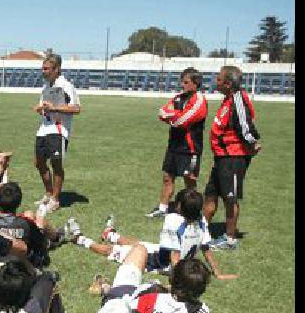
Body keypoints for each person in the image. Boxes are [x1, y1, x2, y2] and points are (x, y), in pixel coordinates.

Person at [65, 189, 238, 281]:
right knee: (139, 243)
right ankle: (110, 233)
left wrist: (177, 282)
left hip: (155, 262)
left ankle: (78, 238)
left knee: (111, 251)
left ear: (179, 207)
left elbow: (175, 258)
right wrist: (217, 272)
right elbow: (206, 249)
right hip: (161, 254)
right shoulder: (201, 221)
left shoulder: (173, 221)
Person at [204, 66, 262, 249]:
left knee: (230, 198)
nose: (216, 81)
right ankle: (199, 232)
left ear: (229, 84)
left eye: (219, 79)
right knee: (210, 195)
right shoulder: (228, 99)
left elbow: (245, 127)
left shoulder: (238, 100)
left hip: (233, 158)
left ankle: (229, 240)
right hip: (222, 157)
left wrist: (252, 143)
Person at [146, 68, 208, 218]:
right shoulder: (179, 97)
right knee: (167, 177)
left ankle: (192, 211)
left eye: (186, 82)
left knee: (190, 181)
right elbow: (162, 112)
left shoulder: (199, 100)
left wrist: (172, 116)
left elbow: (183, 121)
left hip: (190, 148)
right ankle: (163, 208)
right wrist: (173, 116)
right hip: (174, 146)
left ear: (195, 83)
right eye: (182, 81)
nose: (182, 85)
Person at [32, 53, 81, 213]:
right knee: (39, 163)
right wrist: (41, 109)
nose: (43, 72)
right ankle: (48, 193)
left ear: (56, 69)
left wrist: (54, 108)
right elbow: (44, 107)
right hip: (44, 129)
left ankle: (55, 199)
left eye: (46, 69)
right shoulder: (46, 86)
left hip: (58, 130)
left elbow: (76, 108)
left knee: (56, 164)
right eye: (43, 68)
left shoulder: (66, 86)